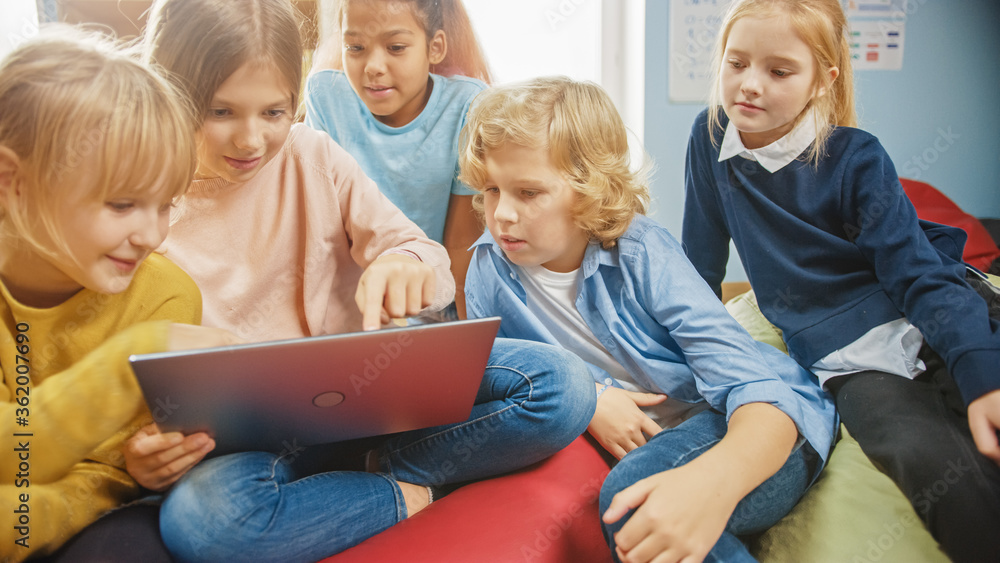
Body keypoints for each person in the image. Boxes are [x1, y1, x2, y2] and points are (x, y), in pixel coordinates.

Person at [139, 1, 595, 561]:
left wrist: (403, 263)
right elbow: (130, 368)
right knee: (206, 524)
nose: (251, 140)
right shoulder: (142, 206)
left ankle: (373, 469)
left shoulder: (314, 155)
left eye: (274, 112)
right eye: (221, 112)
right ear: (168, 94)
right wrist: (139, 453)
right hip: (252, 437)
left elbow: (423, 253)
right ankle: (405, 490)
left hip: (372, 394)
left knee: (562, 387)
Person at [459, 76, 837, 563]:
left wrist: (712, 485)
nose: (502, 215)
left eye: (529, 193)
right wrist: (591, 398)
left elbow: (761, 394)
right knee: (641, 509)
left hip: (756, 431)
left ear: (588, 189)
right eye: (491, 189)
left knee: (634, 498)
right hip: (653, 440)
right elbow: (503, 375)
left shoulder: (641, 252)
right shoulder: (489, 268)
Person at [680, 0, 1000, 560]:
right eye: (736, 63)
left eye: (778, 71)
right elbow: (700, 267)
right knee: (924, 460)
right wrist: (685, 370)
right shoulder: (710, 141)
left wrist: (982, 376)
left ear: (821, 80)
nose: (749, 85)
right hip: (846, 360)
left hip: (930, 309)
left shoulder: (857, 158)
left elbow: (919, 274)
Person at [0, 29, 236, 562]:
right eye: (123, 204)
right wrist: (125, 366)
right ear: (10, 182)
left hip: (94, 515)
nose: (152, 236)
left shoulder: (165, 297)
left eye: (165, 205)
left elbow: (102, 479)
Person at [305, 0, 492, 319]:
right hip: (354, 304)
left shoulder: (467, 104)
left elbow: (462, 243)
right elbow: (322, 227)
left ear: (435, 48)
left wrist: (465, 333)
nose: (373, 66)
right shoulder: (326, 97)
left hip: (433, 298)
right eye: (356, 47)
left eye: (395, 47)